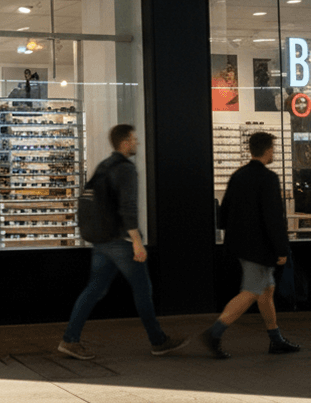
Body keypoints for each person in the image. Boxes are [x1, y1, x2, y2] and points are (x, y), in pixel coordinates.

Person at [57, 124, 188, 360]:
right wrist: (136, 241)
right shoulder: (126, 169)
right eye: (134, 139)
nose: (137, 142)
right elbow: (128, 209)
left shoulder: (104, 166)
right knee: (142, 290)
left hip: (102, 241)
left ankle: (70, 339)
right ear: (125, 142)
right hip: (121, 241)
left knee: (94, 289)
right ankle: (158, 341)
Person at [202, 132, 300, 359]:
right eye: (273, 149)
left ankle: (276, 339)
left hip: (239, 245)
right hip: (260, 249)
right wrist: (281, 249)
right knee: (251, 291)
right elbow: (273, 218)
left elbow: (224, 212)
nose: (274, 152)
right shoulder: (268, 178)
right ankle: (214, 332)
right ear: (268, 150)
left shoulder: (238, 175)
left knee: (266, 290)